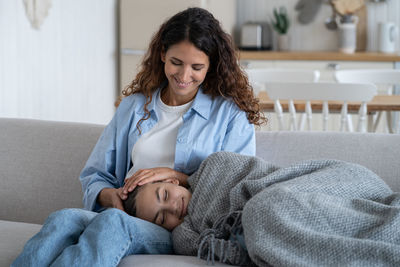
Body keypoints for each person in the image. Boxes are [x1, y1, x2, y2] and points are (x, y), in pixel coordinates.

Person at [12, 7, 265, 267]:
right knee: (62, 219)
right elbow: (95, 174)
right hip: (129, 211)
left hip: (181, 226)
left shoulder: (230, 115)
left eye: (197, 67)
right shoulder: (134, 106)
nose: (184, 76)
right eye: (177, 63)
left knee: (114, 223)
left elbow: (236, 189)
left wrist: (174, 175)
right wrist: (108, 195)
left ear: (211, 66)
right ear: (163, 53)